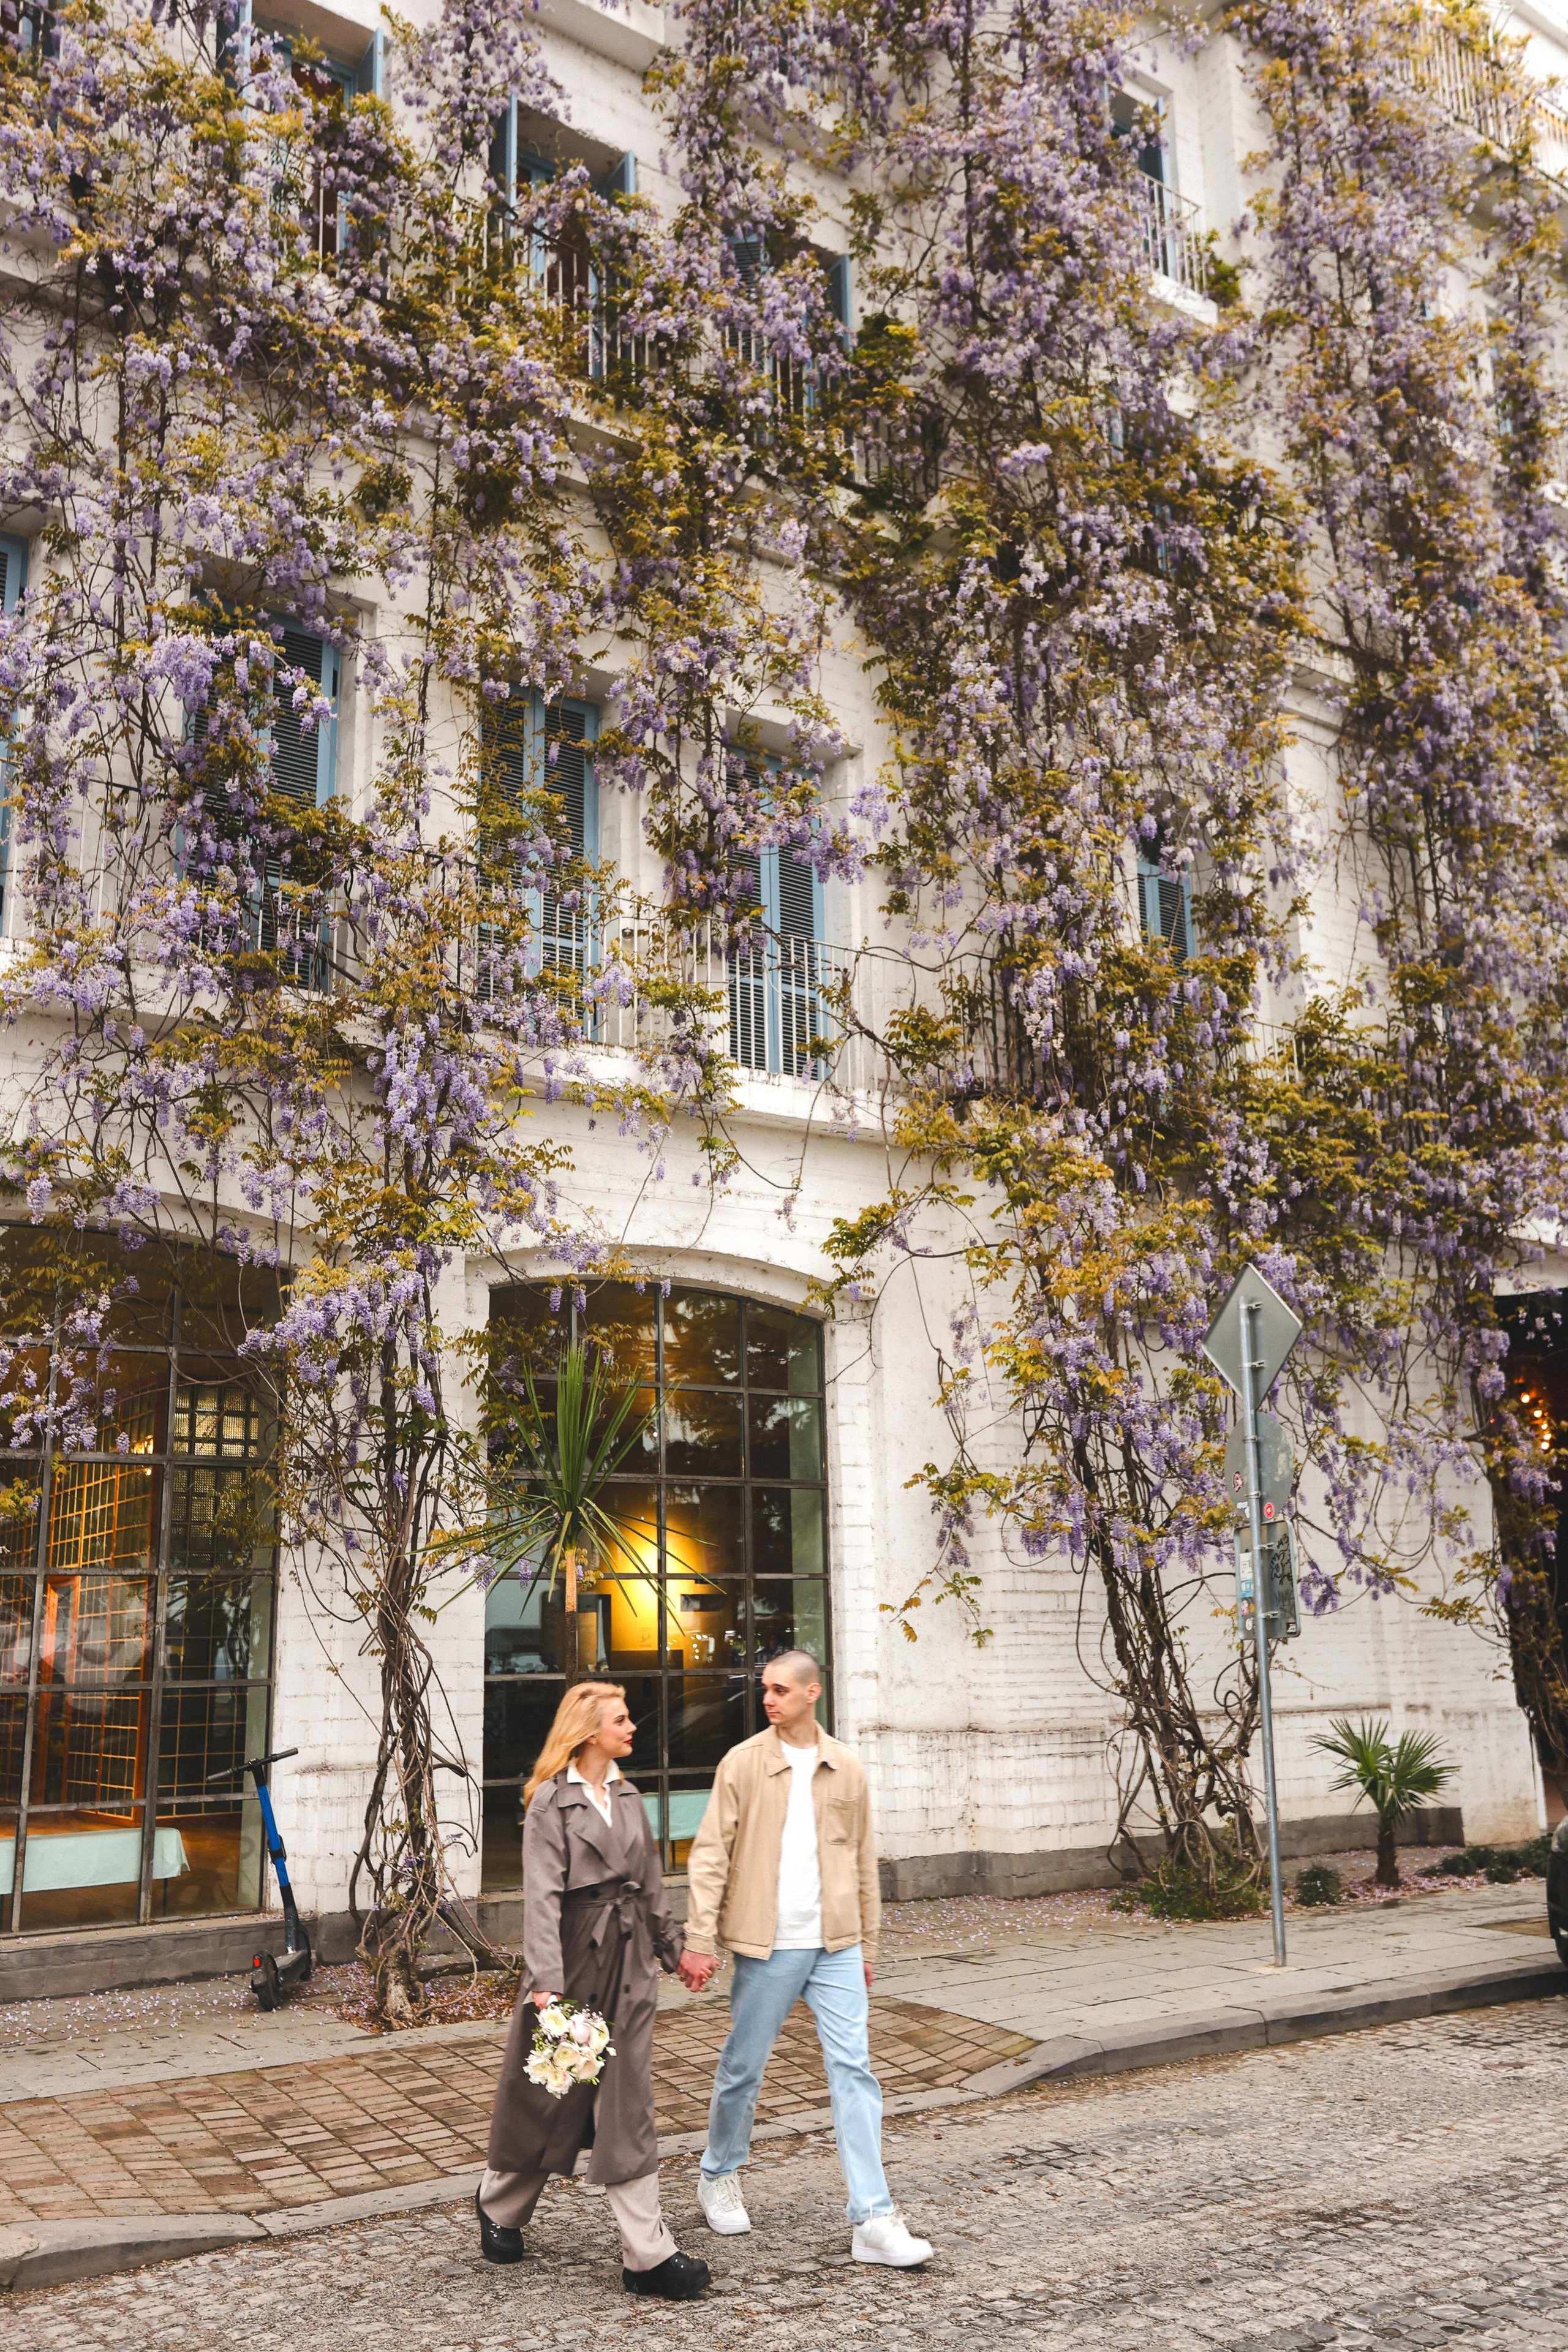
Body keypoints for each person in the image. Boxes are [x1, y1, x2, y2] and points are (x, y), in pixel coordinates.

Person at [682, 1650, 933, 2268]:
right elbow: (710, 1854)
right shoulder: (742, 1764)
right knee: (744, 2067)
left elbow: (862, 1862)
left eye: (780, 1690)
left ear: (811, 1692)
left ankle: (872, 2218)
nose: (769, 1699)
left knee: (855, 2072)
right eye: (765, 1690)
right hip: (767, 1945)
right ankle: (718, 2172)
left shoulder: (844, 1766)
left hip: (837, 1945)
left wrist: (867, 1946)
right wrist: (699, 1938)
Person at [477, 1680, 712, 2300]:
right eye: (621, 1718)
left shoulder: (630, 1796)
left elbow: (651, 1884)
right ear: (588, 1732)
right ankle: (498, 2205)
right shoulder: (550, 1804)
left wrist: (676, 1949)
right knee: (555, 2097)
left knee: (626, 2105)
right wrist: (546, 1986)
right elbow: (541, 1899)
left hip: (629, 1964)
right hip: (574, 1968)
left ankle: (647, 2257)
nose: (632, 1726)